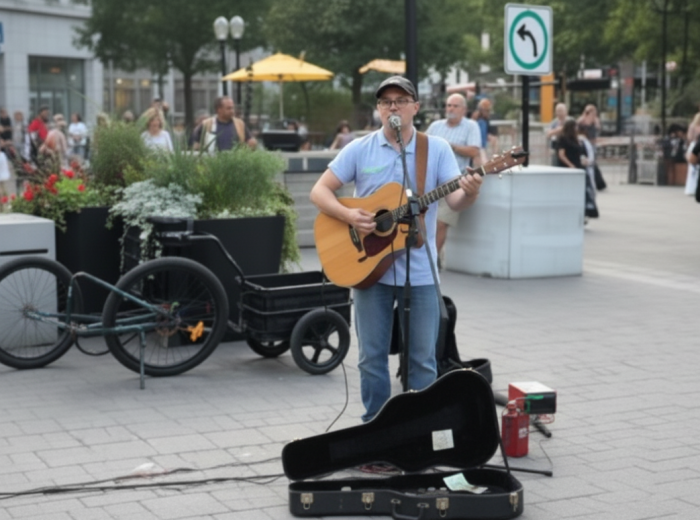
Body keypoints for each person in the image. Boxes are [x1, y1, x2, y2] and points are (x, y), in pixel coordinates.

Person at [309, 76, 483, 422]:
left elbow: (455, 201)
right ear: (378, 109)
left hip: (420, 272)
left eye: (401, 100)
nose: (393, 106)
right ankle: (375, 426)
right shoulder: (360, 148)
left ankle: (419, 429)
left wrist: (473, 190)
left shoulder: (435, 149)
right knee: (371, 357)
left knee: (422, 359)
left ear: (415, 108)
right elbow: (319, 192)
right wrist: (349, 215)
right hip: (368, 270)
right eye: (386, 101)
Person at [425, 93, 482, 268]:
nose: (450, 109)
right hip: (430, 181)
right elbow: (421, 145)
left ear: (464, 109)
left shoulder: (471, 126)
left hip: (454, 183)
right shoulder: (435, 126)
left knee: (442, 223)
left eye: (455, 106)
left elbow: (474, 151)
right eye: (448, 105)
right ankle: (428, 259)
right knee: (423, 223)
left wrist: (450, 147)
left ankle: (429, 264)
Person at [557, 119, 598, 221]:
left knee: (583, 192)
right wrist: (570, 165)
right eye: (575, 127)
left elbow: (579, 153)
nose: (577, 129)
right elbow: (561, 155)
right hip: (569, 169)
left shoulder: (577, 140)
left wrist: (584, 161)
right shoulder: (563, 139)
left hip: (579, 168)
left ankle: (583, 212)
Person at [192, 96, 257, 152]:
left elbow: (250, 140)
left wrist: (252, 143)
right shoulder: (207, 124)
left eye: (232, 108)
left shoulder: (240, 124)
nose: (232, 111)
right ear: (219, 109)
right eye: (229, 108)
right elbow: (195, 143)